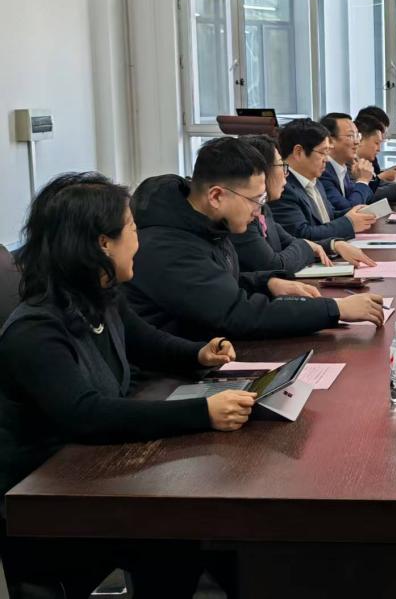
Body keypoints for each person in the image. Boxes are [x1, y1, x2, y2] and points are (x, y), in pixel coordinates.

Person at [0, 173, 251, 598]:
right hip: (47, 500)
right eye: (132, 228)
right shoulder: (35, 331)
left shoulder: (100, 295)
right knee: (184, 534)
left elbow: (144, 341)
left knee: (212, 531)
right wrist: (203, 412)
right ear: (103, 243)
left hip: (96, 472)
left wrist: (198, 354)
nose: (139, 240)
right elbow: (87, 414)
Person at [124, 137, 384, 339]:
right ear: (216, 196)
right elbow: (236, 313)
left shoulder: (206, 222)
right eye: (255, 200)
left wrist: (267, 283)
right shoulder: (168, 246)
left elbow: (220, 282)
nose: (259, 211)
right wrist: (336, 309)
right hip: (166, 377)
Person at [230, 135, 375, 273]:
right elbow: (275, 264)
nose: (285, 173)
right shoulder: (244, 216)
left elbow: (289, 240)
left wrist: (334, 245)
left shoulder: (263, 208)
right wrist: (307, 246)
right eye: (281, 165)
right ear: (260, 172)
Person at [271, 119, 377, 242]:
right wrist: (349, 223)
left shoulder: (315, 181)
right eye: (322, 153)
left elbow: (328, 217)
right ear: (298, 152)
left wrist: (356, 213)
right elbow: (302, 234)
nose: (326, 159)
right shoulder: (283, 188)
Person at [320, 113, 378, 215]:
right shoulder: (323, 171)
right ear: (330, 141)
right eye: (351, 136)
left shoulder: (342, 166)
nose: (357, 142)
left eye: (357, 135)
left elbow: (366, 198)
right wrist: (363, 180)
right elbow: (349, 210)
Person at [354, 114, 396, 203]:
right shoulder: (349, 165)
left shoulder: (364, 161)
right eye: (376, 143)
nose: (379, 149)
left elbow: (374, 184)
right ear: (359, 139)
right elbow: (366, 195)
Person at [358, 105, 396, 184]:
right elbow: (368, 187)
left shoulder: (371, 158)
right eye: (380, 130)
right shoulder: (350, 162)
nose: (382, 135)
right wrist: (382, 177)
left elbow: (374, 179)